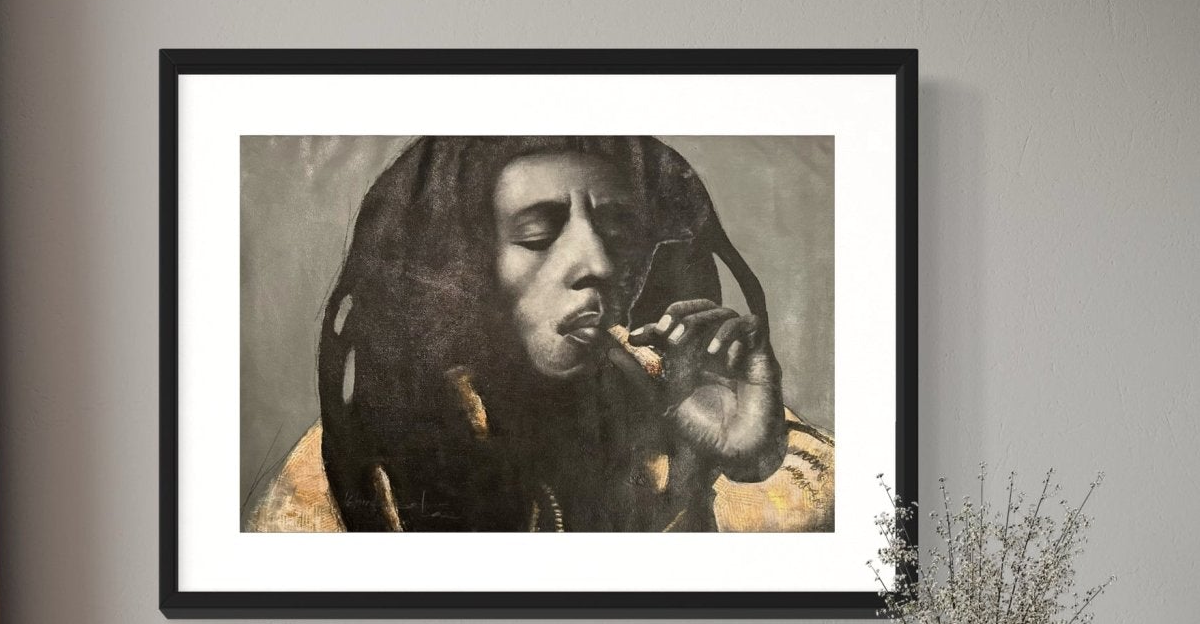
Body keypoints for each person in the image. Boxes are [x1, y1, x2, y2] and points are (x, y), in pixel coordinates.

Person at [248, 135, 834, 536]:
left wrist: (747, 462)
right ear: (466, 266)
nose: (598, 262)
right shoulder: (360, 459)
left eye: (616, 230)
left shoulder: (671, 392)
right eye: (537, 234)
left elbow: (876, 553)